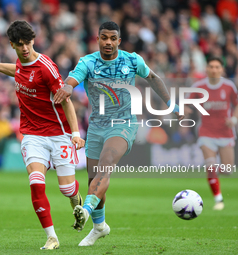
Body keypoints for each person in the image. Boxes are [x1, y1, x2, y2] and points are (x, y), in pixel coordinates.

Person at [54, 21, 183, 246]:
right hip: (96, 126)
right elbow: (73, 79)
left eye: (113, 38)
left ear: (119, 41)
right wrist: (67, 87)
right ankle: (99, 227)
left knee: (107, 162)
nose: (108, 42)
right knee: (93, 180)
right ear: (98, 39)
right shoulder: (88, 62)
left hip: (124, 123)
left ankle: (84, 210)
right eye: (104, 37)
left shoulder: (132, 60)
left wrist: (171, 104)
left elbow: (153, 78)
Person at [0, 20, 85, 250]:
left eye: (28, 43)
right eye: (20, 45)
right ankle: (51, 237)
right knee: (36, 183)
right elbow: (17, 70)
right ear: (12, 45)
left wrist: (76, 133)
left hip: (59, 134)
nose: (25, 48)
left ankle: (77, 201)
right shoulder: (21, 62)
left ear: (33, 41)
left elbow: (66, 102)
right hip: (32, 134)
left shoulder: (46, 67)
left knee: (66, 189)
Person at [187, 57, 238, 210]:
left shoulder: (229, 86)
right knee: (211, 165)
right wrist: (185, 110)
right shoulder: (198, 86)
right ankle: (218, 199)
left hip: (225, 133)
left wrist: (234, 118)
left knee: (228, 170)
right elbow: (187, 103)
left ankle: (216, 175)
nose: (214, 69)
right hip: (206, 132)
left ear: (221, 69)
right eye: (211, 66)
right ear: (207, 69)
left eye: (217, 67)